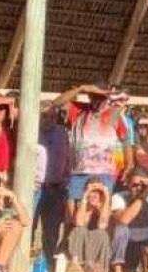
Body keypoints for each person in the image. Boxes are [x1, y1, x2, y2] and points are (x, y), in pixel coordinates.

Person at [53, 83, 134, 212]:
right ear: (90, 96)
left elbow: (126, 142)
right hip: (79, 172)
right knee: (74, 213)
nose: (99, 101)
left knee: (102, 212)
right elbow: (56, 103)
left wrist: (129, 164)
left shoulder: (114, 115)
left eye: (102, 97)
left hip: (105, 173)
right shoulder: (78, 110)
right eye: (95, 97)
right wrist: (81, 89)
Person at [32, 105, 72, 272]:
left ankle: (48, 266)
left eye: (52, 116)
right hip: (34, 187)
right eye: (45, 116)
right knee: (29, 225)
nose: (48, 120)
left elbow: (69, 156)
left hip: (56, 187)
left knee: (51, 230)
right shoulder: (30, 131)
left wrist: (66, 178)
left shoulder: (62, 132)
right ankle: (22, 263)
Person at [66, 180, 115, 272]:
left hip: (94, 245)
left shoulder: (105, 207)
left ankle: (99, 270)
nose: (95, 195)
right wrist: (84, 198)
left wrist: (106, 197)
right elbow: (79, 223)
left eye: (98, 192)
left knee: (102, 234)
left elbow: (102, 225)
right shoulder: (78, 204)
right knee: (79, 231)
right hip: (78, 244)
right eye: (92, 191)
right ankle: (76, 268)